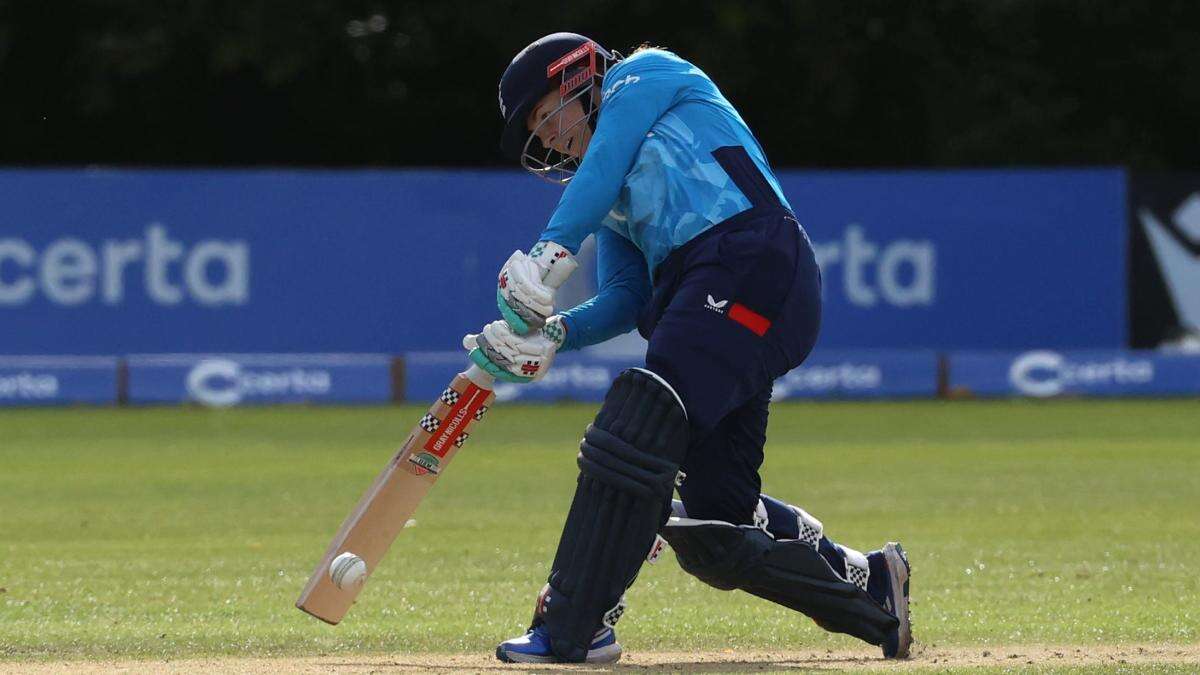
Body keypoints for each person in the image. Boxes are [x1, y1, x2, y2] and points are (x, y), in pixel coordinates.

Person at [463, 32, 911, 665]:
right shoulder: (615, 195)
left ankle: (574, 623)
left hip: (749, 258)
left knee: (640, 427)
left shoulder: (645, 76)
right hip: (709, 290)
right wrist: (553, 333)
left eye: (546, 117)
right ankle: (872, 586)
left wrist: (545, 258)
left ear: (576, 79)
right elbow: (624, 296)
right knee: (714, 527)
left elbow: (603, 161)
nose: (550, 139)